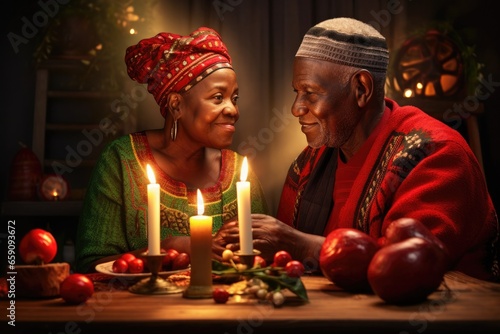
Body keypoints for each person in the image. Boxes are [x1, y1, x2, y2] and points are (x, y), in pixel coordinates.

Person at [223, 17, 499, 282]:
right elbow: (287, 264)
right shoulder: (307, 164)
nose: (296, 108)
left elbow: (410, 269)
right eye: (296, 92)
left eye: (310, 92)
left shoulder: (436, 155)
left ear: (362, 89)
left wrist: (302, 245)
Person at [75, 27, 268, 274]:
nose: (233, 110)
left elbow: (266, 262)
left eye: (235, 98)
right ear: (176, 105)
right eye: (218, 98)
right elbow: (90, 266)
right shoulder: (122, 160)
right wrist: (170, 247)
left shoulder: (240, 173)